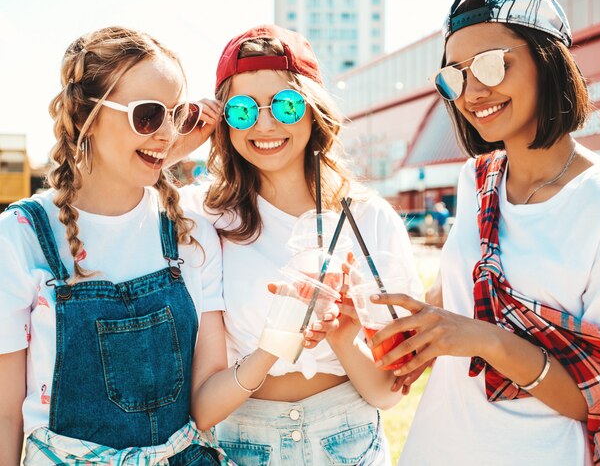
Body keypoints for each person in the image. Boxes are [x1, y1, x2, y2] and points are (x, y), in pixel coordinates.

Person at [0, 26, 278, 465]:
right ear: (83, 117)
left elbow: (203, 403)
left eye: (178, 114)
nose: (167, 133)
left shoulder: (190, 232)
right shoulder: (21, 235)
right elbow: (4, 415)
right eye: (148, 115)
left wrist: (280, 341)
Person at [367, 0, 600, 465]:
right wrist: (401, 323)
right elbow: (458, 297)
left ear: (548, 60)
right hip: (437, 448)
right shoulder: (477, 180)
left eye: (491, 65)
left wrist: (483, 339)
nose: (472, 93)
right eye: (455, 76)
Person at [179, 25, 419, 465]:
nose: (265, 124)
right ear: (223, 121)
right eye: (241, 110)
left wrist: (344, 334)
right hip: (241, 443)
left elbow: (388, 392)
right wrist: (184, 137)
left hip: (348, 439)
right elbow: (202, 407)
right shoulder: (204, 217)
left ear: (313, 110)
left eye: (286, 105)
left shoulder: (368, 217)